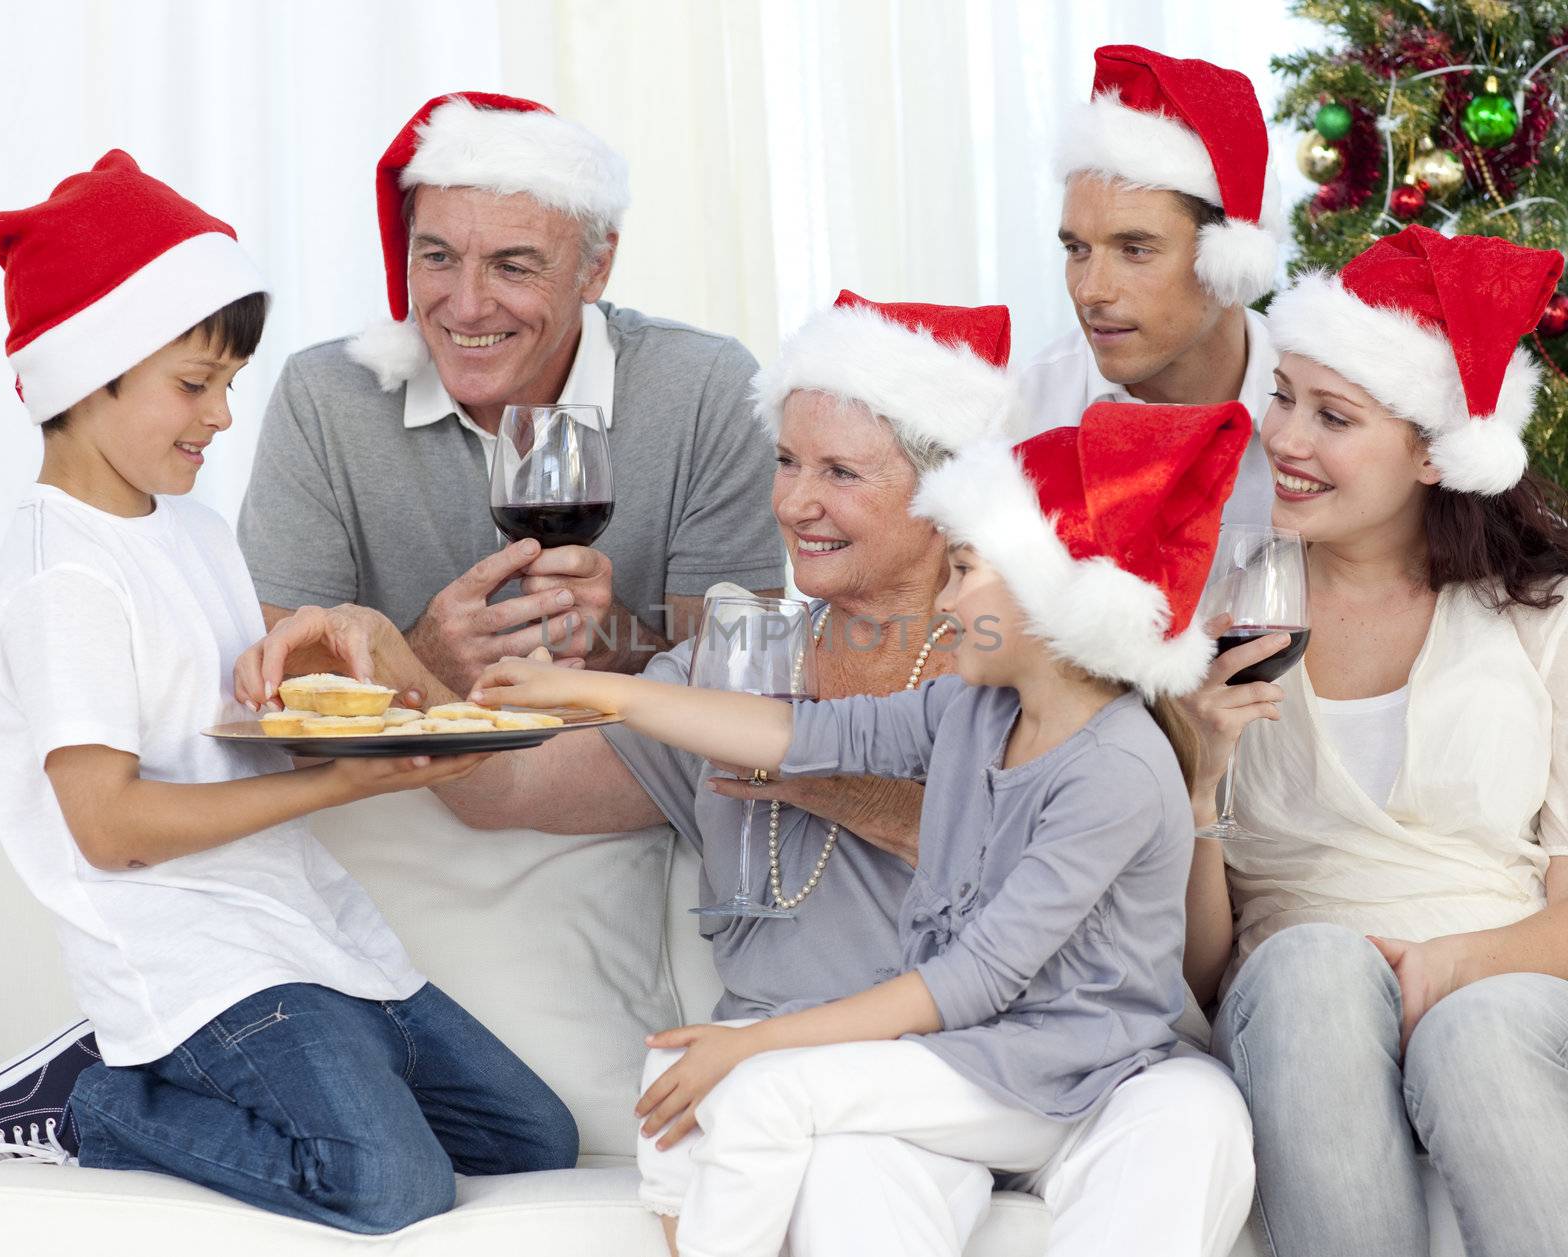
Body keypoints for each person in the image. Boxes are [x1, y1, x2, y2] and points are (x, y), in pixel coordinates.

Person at [471, 398, 1259, 1257]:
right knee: (691, 1066)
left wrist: (761, 1044)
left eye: (966, 571)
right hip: (975, 1055)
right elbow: (800, 733)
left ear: (1051, 599)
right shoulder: (975, 706)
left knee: (759, 1088)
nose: (952, 601)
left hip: (1061, 1069)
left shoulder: (1117, 768)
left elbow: (974, 980)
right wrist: (605, 693)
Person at [0, 152, 577, 1231]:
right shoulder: (61, 576)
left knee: (531, 1142)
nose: (220, 418)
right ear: (84, 377)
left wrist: (350, 662)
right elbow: (110, 828)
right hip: (200, 959)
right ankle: (95, 1100)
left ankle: (184, 1080)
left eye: (229, 386)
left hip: (308, 930)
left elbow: (248, 709)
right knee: (387, 1185)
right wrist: (341, 789)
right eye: (192, 385)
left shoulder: (192, 530)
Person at [1179, 224, 1568, 1257]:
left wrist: (1449, 967)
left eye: (1332, 415)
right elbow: (1198, 969)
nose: (1286, 439)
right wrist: (1198, 783)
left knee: (1477, 1033)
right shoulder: (1218, 612)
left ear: (1434, 450)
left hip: (1505, 983)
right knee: (1311, 966)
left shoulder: (1544, 616)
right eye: (1283, 397)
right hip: (1288, 992)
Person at [237, 92, 785, 693]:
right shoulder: (323, 397)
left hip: (623, 779)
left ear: (596, 267)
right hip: (398, 786)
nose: (467, 307)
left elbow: (742, 693)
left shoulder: (708, 390)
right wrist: (422, 663)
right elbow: (279, 684)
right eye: (439, 256)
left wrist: (615, 647)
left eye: (513, 267)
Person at [1022, 44, 1282, 528]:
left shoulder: (1329, 419)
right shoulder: (1020, 418)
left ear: (1225, 258)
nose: (1090, 292)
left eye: (1134, 250)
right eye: (1077, 249)